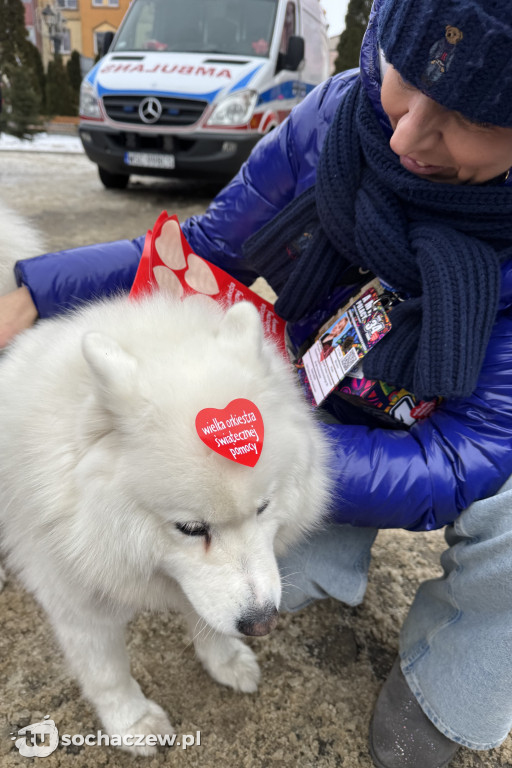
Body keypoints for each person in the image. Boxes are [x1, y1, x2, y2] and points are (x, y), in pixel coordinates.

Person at [2, 0, 512, 765]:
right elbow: (208, 250)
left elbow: (470, 450)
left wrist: (285, 460)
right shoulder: (341, 118)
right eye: (407, 80)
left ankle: (452, 686)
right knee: (235, 559)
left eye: (466, 117)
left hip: (391, 442)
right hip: (300, 416)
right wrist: (36, 289)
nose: (405, 136)